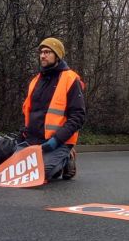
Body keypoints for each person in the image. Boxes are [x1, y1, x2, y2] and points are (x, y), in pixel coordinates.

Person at [19, 37, 86, 180]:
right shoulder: (35, 80)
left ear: (57, 55)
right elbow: (29, 112)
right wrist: (23, 134)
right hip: (34, 140)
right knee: (11, 168)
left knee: (40, 173)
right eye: (41, 52)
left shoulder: (70, 79)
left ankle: (66, 157)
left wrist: (56, 140)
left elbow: (78, 116)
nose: (43, 55)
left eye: (48, 52)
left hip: (58, 142)